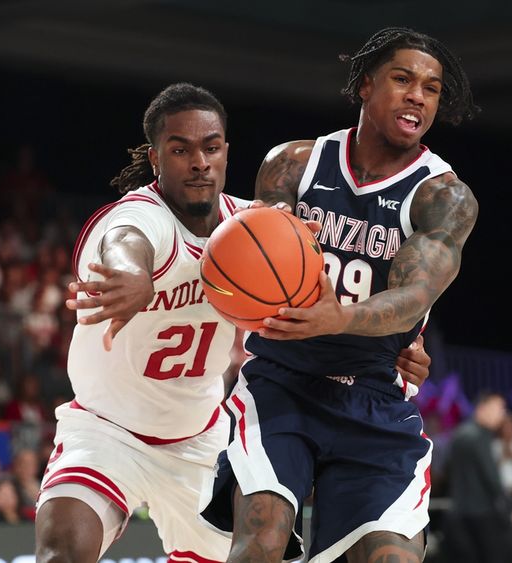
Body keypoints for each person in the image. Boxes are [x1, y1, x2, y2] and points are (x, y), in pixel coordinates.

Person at [34, 83, 431, 563]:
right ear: (156, 160)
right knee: (63, 550)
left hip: (199, 439)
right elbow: (125, 241)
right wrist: (134, 277)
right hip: (106, 432)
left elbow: (340, 291)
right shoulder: (140, 216)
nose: (199, 161)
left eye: (211, 147)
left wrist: (399, 346)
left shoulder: (254, 227)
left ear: (226, 152)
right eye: (180, 150)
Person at [201, 27, 479, 563]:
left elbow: (416, 294)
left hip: (375, 393)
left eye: (432, 87)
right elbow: (256, 260)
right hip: (283, 380)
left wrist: (338, 318)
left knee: (390, 557)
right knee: (262, 534)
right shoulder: (294, 164)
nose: (418, 95)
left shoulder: (444, 196)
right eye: (403, 79)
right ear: (366, 85)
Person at [444, 392, 510, 562]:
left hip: (458, 512)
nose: (502, 414)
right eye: (499, 408)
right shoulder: (480, 437)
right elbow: (491, 477)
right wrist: (511, 508)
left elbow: (447, 469)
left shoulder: (459, 433)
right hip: (482, 514)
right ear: (482, 409)